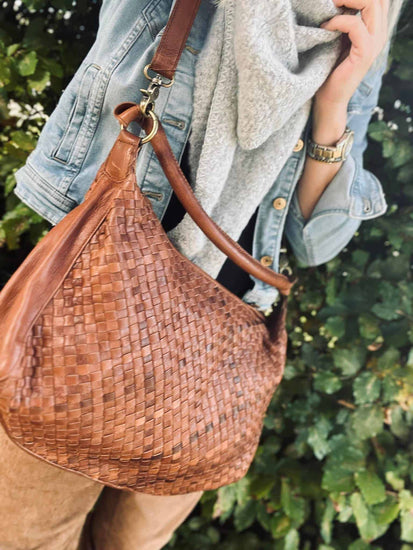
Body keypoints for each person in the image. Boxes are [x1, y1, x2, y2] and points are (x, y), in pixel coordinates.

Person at [0, 0, 403, 549]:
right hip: (95, 301)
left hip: (216, 351)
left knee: (132, 544)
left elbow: (315, 242)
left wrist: (335, 103)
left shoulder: (367, 18)